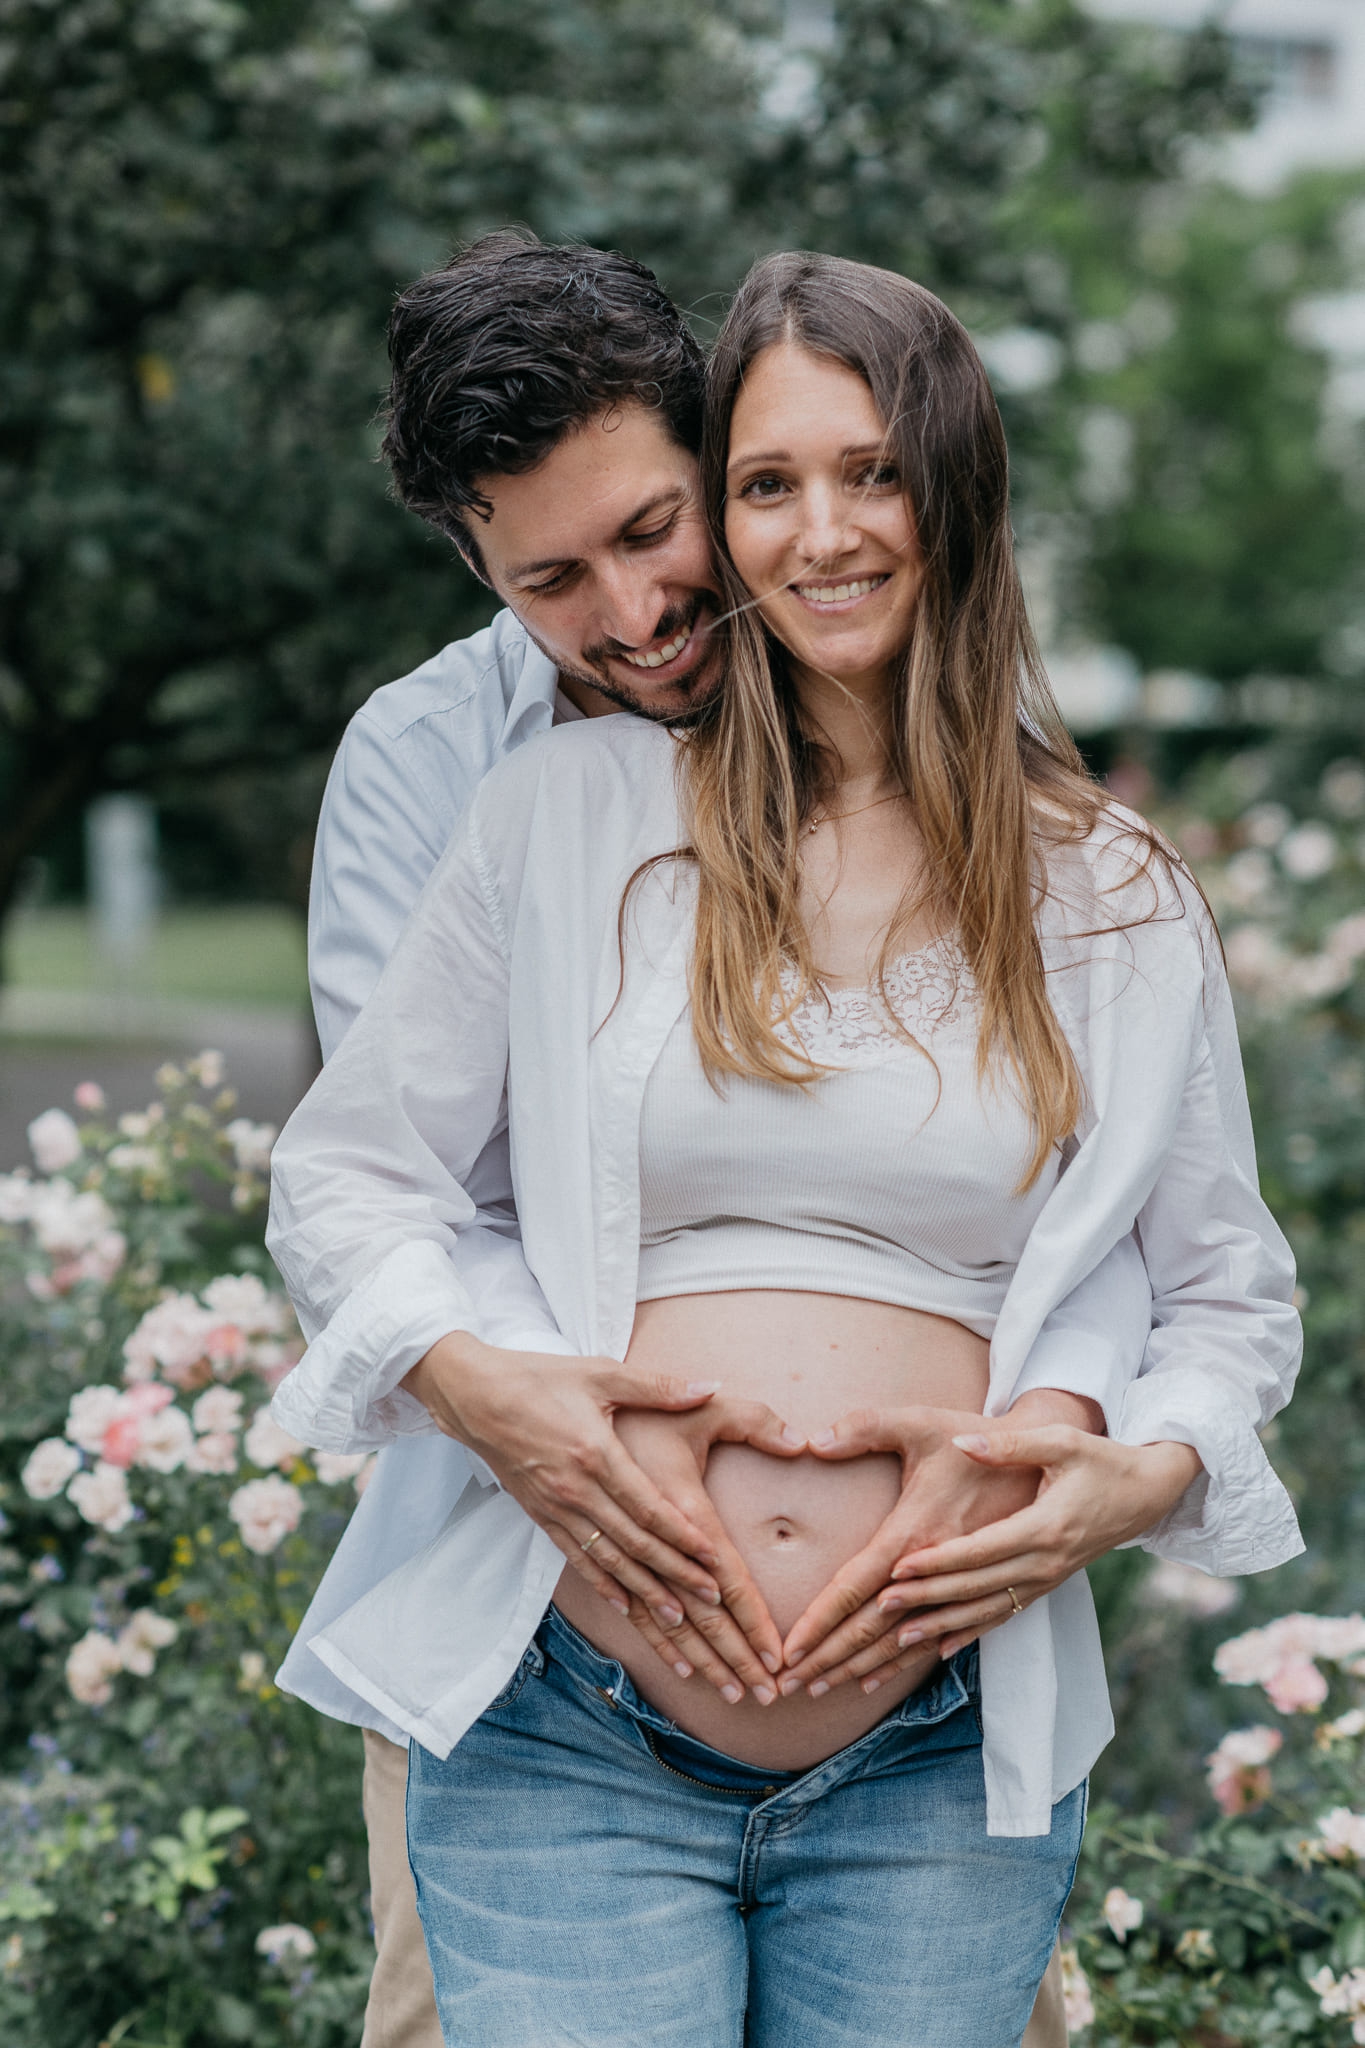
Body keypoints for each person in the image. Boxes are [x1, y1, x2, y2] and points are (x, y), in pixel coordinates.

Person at [268, 248, 1301, 2045]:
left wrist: (1111, 1453)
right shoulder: (509, 795)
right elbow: (389, 1181)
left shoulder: (1108, 888)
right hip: (549, 1664)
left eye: (663, 523)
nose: (635, 608)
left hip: (930, 1743)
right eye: (550, 578)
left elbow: (1194, 1278)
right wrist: (522, 1400)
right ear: (477, 564)